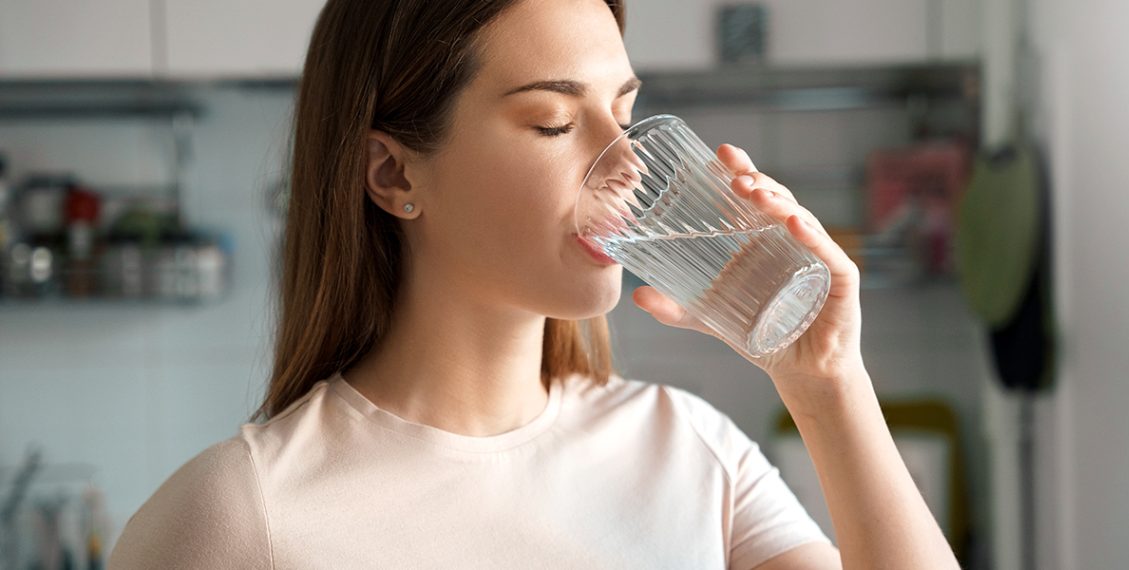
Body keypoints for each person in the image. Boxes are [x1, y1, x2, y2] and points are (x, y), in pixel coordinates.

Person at [108, 0, 959, 568]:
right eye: (553, 121)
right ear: (392, 173)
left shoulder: (690, 454)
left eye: (623, 114)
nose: (627, 163)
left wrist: (827, 384)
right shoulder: (241, 515)